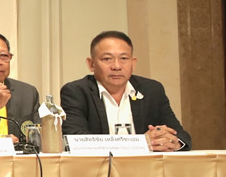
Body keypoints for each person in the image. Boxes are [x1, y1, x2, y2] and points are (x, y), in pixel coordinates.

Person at [60, 30, 190, 151]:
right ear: (91, 64)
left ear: (133, 63)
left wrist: (172, 142)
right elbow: (76, 141)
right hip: (99, 167)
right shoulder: (76, 92)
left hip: (145, 166)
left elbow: (181, 135)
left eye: (123, 58)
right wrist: (140, 143)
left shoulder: (151, 90)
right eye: (107, 59)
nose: (116, 66)